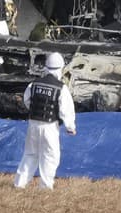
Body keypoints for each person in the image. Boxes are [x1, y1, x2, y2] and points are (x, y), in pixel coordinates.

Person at [13, 52, 76, 190]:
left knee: (30, 154)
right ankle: (45, 186)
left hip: (33, 124)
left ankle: (19, 184)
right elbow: (66, 110)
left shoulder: (33, 84)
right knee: (50, 156)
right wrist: (70, 127)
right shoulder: (61, 87)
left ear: (46, 67)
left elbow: (27, 101)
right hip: (50, 126)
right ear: (61, 68)